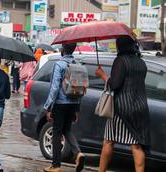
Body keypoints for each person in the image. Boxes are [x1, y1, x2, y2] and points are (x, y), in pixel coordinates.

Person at [95, 35, 150, 172]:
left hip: (122, 109)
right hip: (141, 107)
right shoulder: (141, 62)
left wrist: (102, 75)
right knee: (136, 145)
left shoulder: (120, 61)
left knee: (108, 141)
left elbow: (114, 85)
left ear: (120, 46)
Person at [43, 43, 85, 172]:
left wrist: (48, 107)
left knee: (57, 132)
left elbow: (55, 88)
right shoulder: (77, 64)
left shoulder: (59, 65)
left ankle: (56, 165)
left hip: (60, 104)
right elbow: (80, 88)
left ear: (62, 49)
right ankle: (78, 153)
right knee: (67, 129)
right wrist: (77, 108)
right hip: (73, 103)